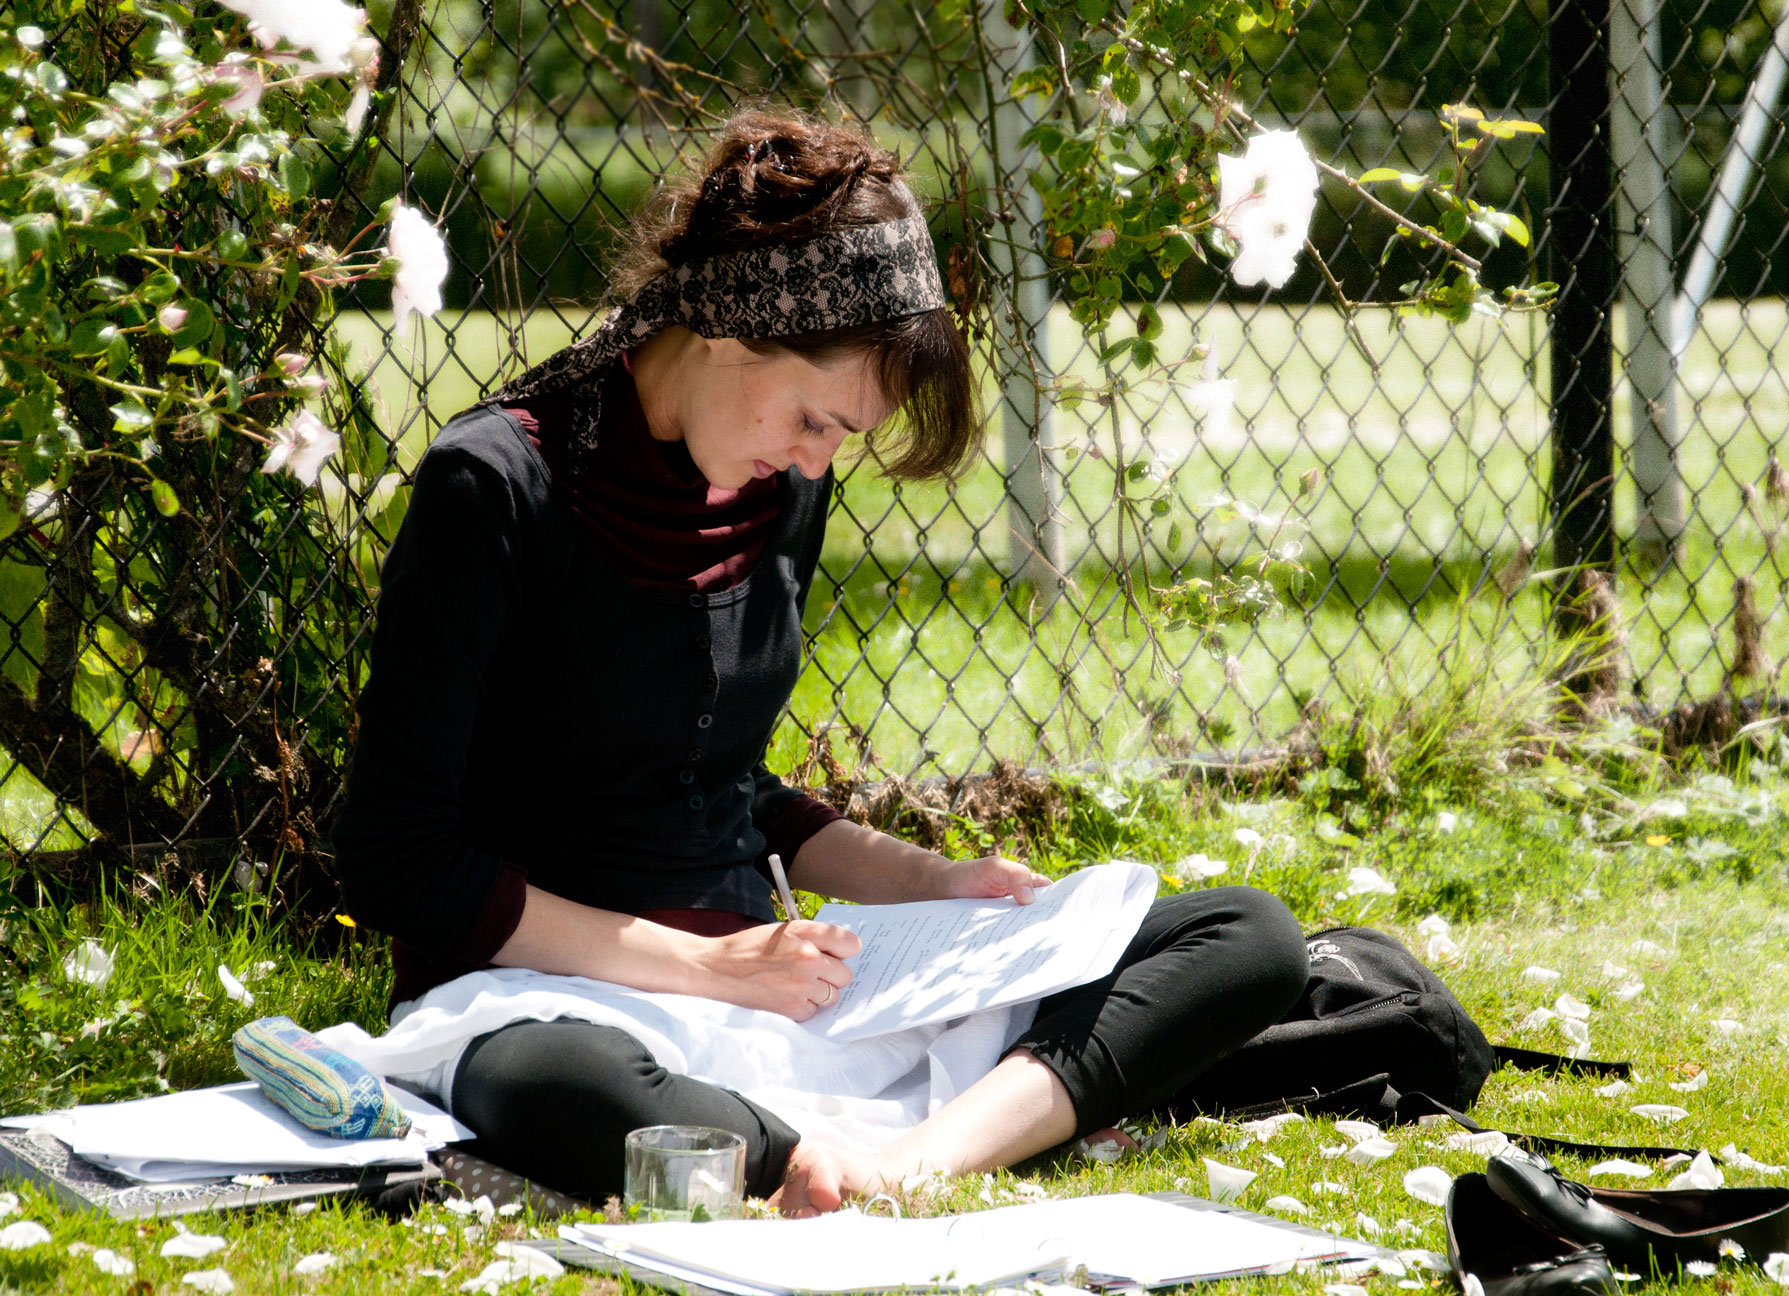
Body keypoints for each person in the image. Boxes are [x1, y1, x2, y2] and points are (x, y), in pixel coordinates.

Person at [333, 107, 1308, 1215]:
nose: (814, 460)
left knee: (1248, 936)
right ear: (730, 325)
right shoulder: (496, 486)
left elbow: (723, 787)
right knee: (558, 1086)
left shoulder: (779, 487)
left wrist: (937, 884)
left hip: (786, 989)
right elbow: (399, 859)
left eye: (840, 436)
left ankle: (895, 1162)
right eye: (813, 418)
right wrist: (707, 966)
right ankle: (909, 1132)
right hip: (562, 996)